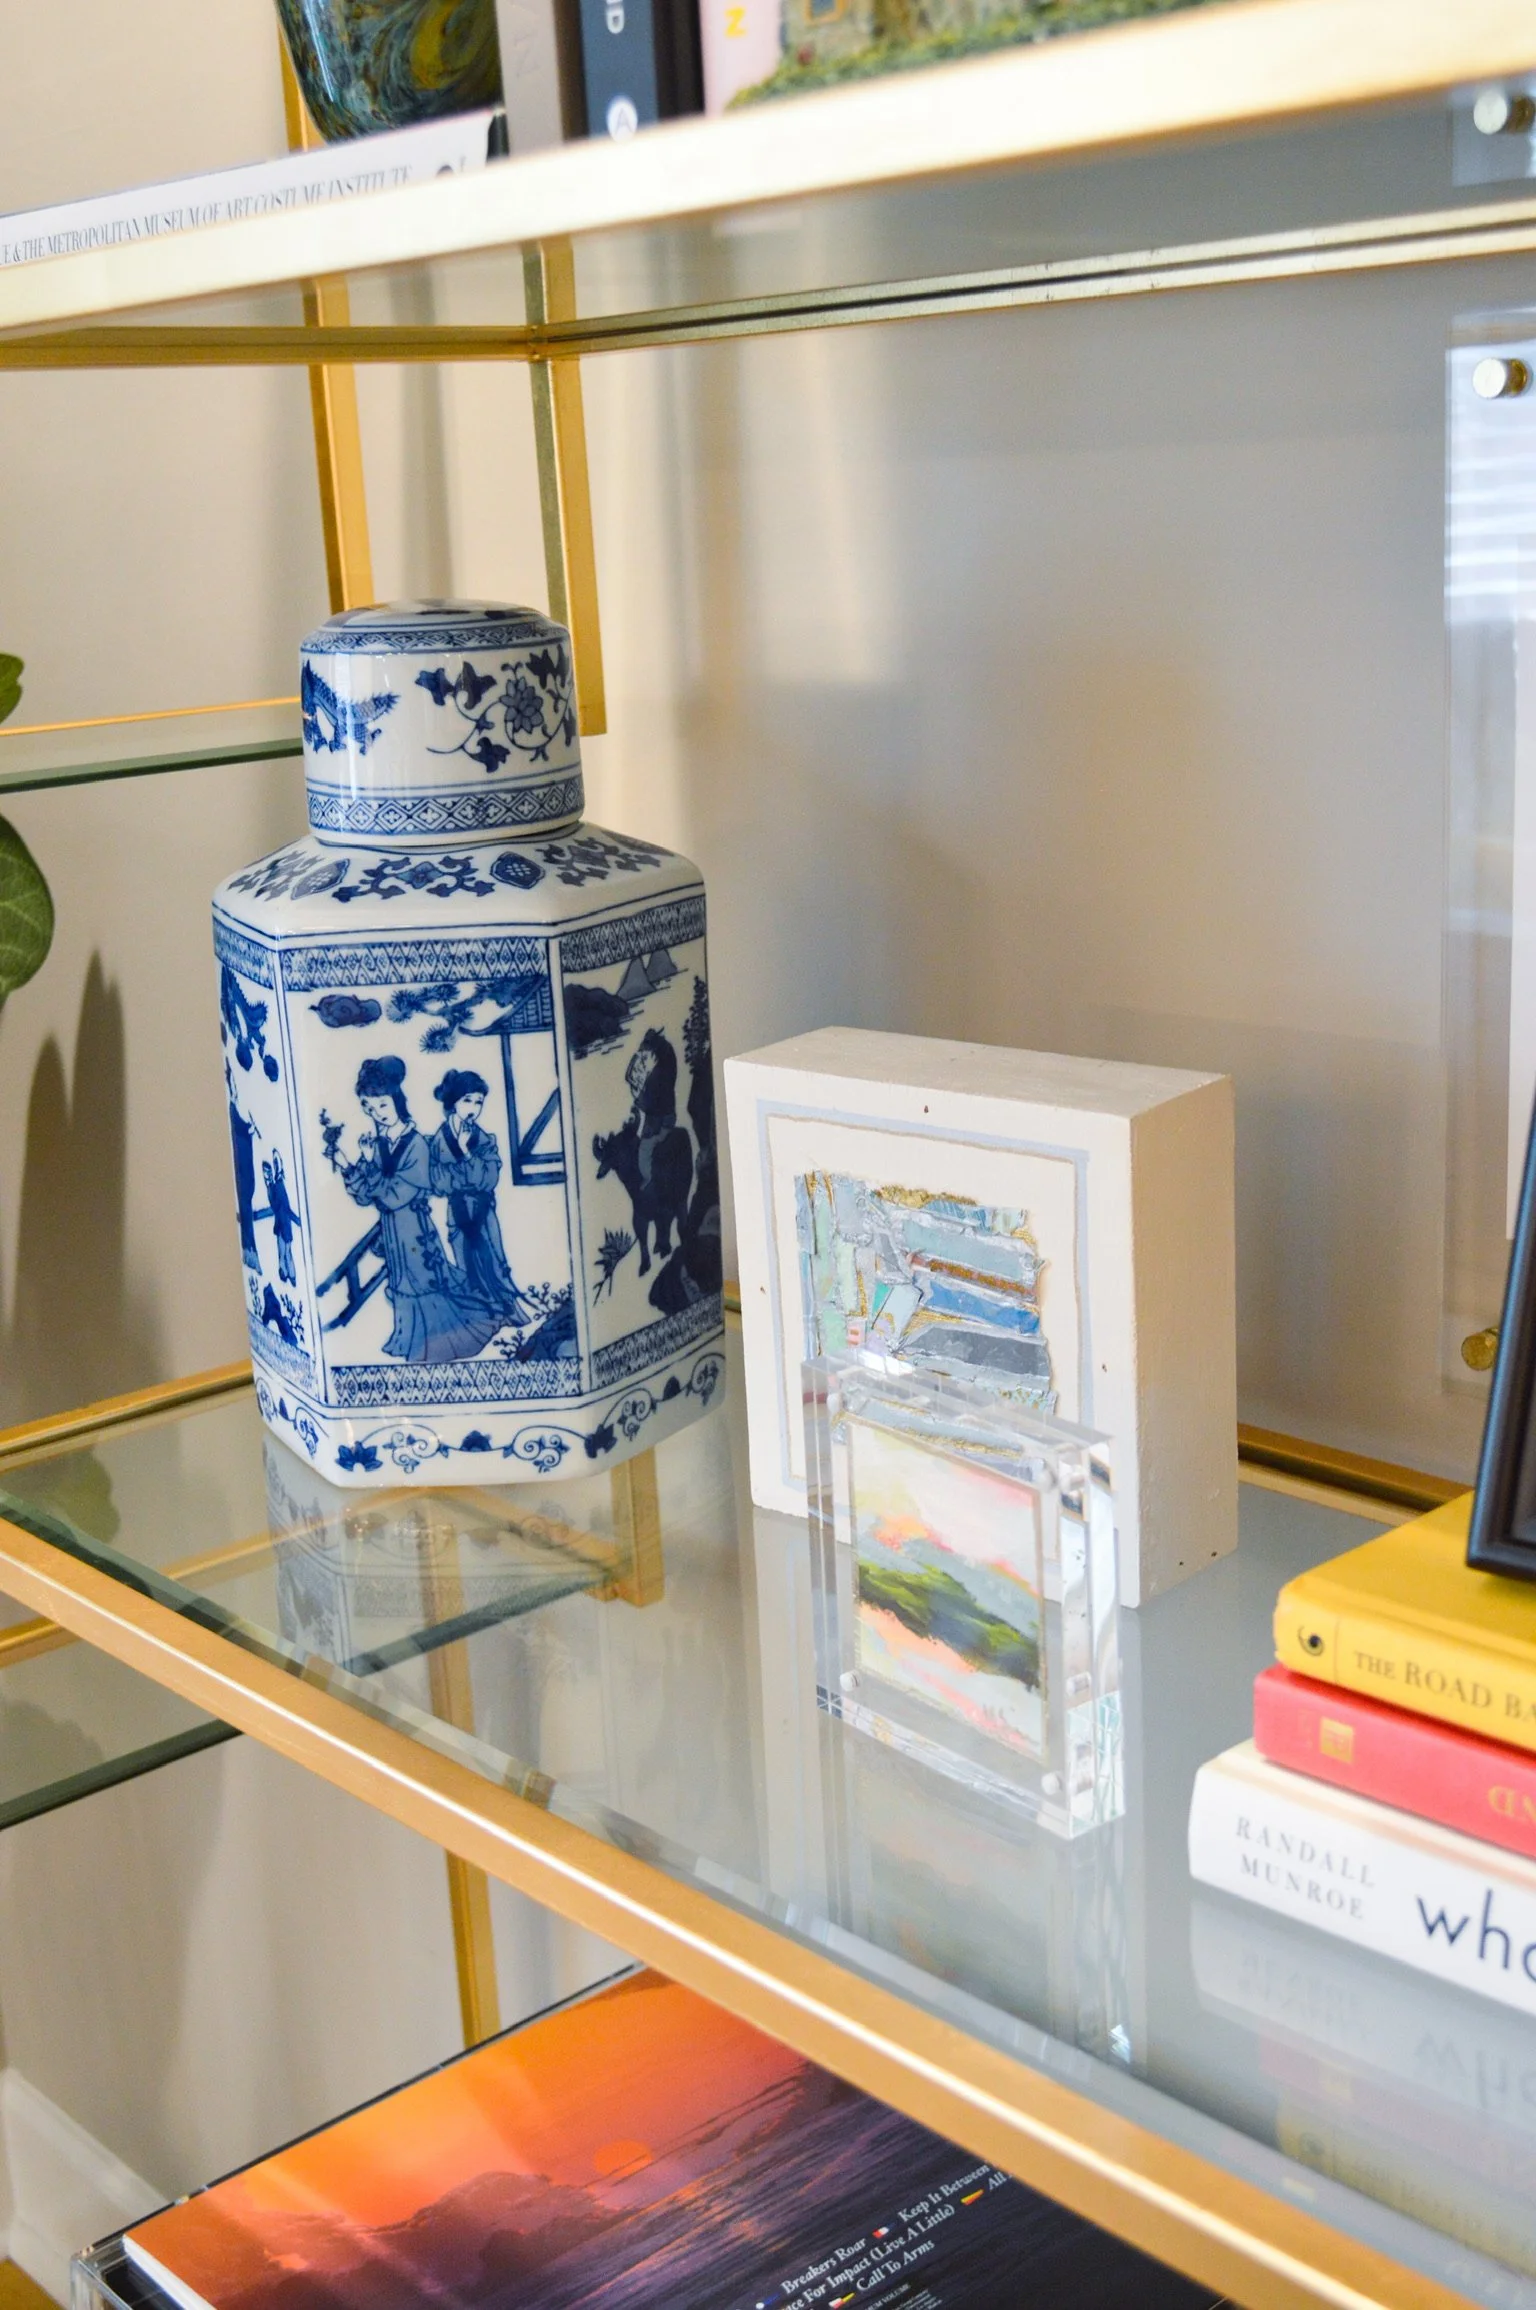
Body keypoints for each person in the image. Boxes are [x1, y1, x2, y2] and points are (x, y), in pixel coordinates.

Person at [334, 1056, 500, 1363]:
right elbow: (364, 1196)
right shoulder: (380, 1143)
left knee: (423, 1279)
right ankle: (409, 1340)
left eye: (382, 1105)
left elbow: (395, 1194)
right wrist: (350, 1166)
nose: (377, 1114)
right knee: (402, 1281)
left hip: (414, 1228)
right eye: (369, 1108)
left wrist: (367, 1174)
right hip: (393, 1231)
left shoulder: (417, 1145)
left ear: (397, 1100)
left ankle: (438, 1342)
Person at [428, 1069, 534, 1328]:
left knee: (495, 1259)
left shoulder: (483, 1139)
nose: (473, 1108)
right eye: (467, 1100)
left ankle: (505, 1312)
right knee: (464, 1262)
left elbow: (489, 1177)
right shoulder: (438, 1141)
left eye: (478, 1102)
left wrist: (464, 1155)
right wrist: (465, 1171)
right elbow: (438, 1182)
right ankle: (479, 1316)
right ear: (452, 1103)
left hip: (484, 1212)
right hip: (458, 1212)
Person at [263, 1151, 299, 1286]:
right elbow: (277, 1206)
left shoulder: (277, 1188)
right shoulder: (272, 1189)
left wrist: (297, 1220)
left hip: (284, 1223)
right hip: (281, 1223)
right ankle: (286, 1274)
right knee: (282, 1252)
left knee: (287, 1251)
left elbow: (285, 1207)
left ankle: (291, 1275)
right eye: (266, 1174)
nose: (267, 1176)